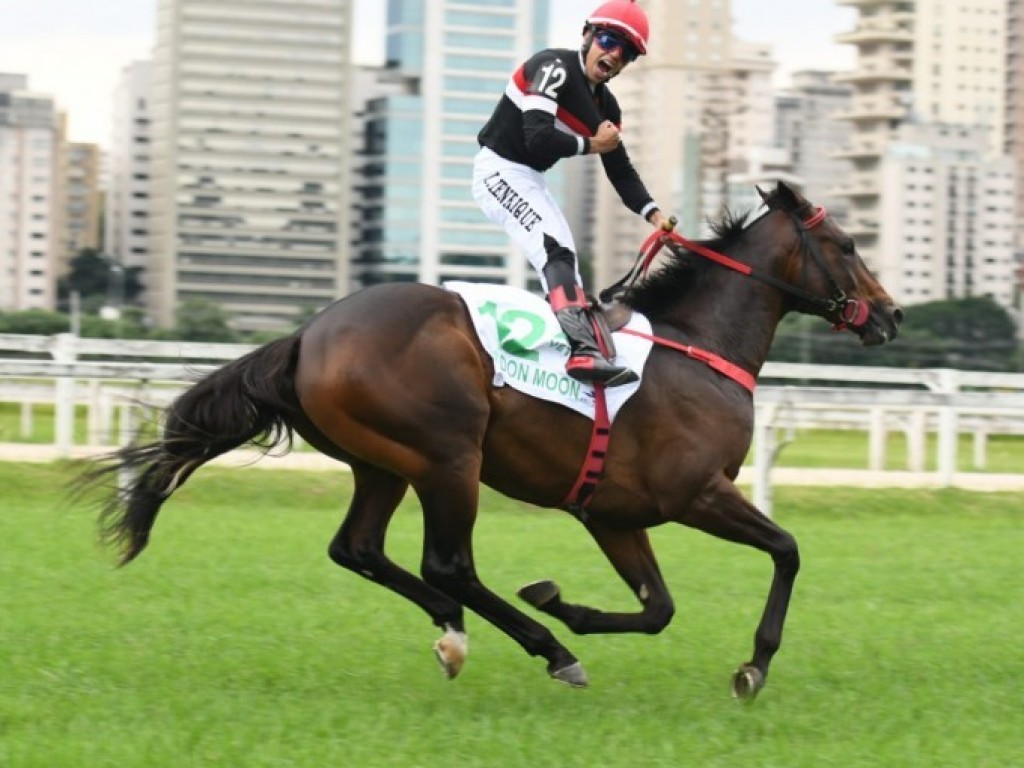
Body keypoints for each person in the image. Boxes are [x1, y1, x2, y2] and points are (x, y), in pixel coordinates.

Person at [473, 0, 670, 387]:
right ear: (587, 35)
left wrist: (654, 214)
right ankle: (581, 353)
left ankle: (573, 348)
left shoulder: (607, 106)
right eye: (609, 40)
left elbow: (621, 170)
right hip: (498, 170)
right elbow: (538, 135)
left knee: (567, 262)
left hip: (528, 177)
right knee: (556, 251)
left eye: (625, 51)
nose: (613, 54)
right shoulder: (552, 67)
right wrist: (592, 145)